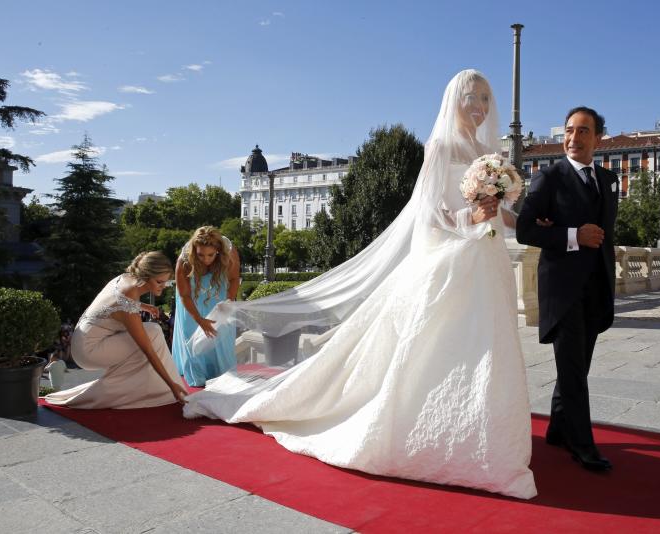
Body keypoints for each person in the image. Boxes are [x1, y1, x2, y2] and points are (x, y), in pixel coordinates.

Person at [183, 70, 536, 499]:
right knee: (435, 348)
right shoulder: (440, 146)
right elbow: (428, 215)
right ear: (453, 100)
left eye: (485, 97)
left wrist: (527, 222)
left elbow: (499, 214)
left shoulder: (489, 152)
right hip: (449, 261)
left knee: (486, 347)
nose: (480, 106)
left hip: (487, 258)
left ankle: (485, 435)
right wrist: (471, 218)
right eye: (471, 97)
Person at [516, 106, 618, 471]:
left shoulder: (608, 180)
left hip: (596, 287)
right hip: (561, 290)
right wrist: (574, 235)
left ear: (598, 138)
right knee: (574, 370)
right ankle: (582, 445)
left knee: (578, 367)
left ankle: (558, 428)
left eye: (583, 131)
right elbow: (526, 229)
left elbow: (606, 237)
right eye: (569, 130)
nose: (574, 138)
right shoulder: (549, 178)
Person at [44, 252, 188, 408]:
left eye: (165, 282)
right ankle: (159, 390)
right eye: (160, 282)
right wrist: (171, 385)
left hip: (82, 339)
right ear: (146, 276)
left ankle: (150, 387)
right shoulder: (129, 295)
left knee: (153, 330)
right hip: (89, 350)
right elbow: (148, 350)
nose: (163, 286)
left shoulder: (126, 278)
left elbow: (111, 306)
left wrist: (144, 306)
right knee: (153, 333)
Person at [171, 226, 240, 386]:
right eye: (200, 255)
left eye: (210, 254)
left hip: (219, 295)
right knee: (192, 332)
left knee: (221, 333)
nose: (206, 259)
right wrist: (199, 319)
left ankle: (221, 373)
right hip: (192, 298)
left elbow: (234, 279)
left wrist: (227, 302)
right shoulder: (185, 260)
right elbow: (184, 295)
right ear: (194, 250)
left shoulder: (229, 252)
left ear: (218, 249)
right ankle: (197, 375)